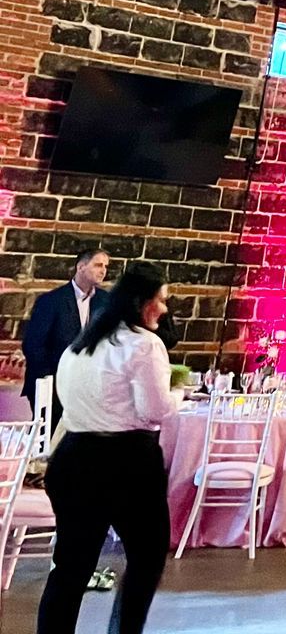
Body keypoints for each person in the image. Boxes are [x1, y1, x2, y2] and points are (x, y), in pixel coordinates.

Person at [36, 261, 182, 634]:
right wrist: (179, 394)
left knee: (70, 566)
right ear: (141, 302)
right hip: (127, 462)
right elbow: (156, 410)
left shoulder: (79, 345)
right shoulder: (144, 345)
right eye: (161, 300)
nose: (164, 309)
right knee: (146, 558)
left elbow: (69, 408)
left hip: (74, 458)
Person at [21, 247, 110, 423]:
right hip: (52, 382)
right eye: (98, 265)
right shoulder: (52, 301)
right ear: (81, 267)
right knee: (47, 436)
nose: (103, 271)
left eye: (106, 266)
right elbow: (33, 345)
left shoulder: (105, 301)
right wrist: (52, 378)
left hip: (87, 386)